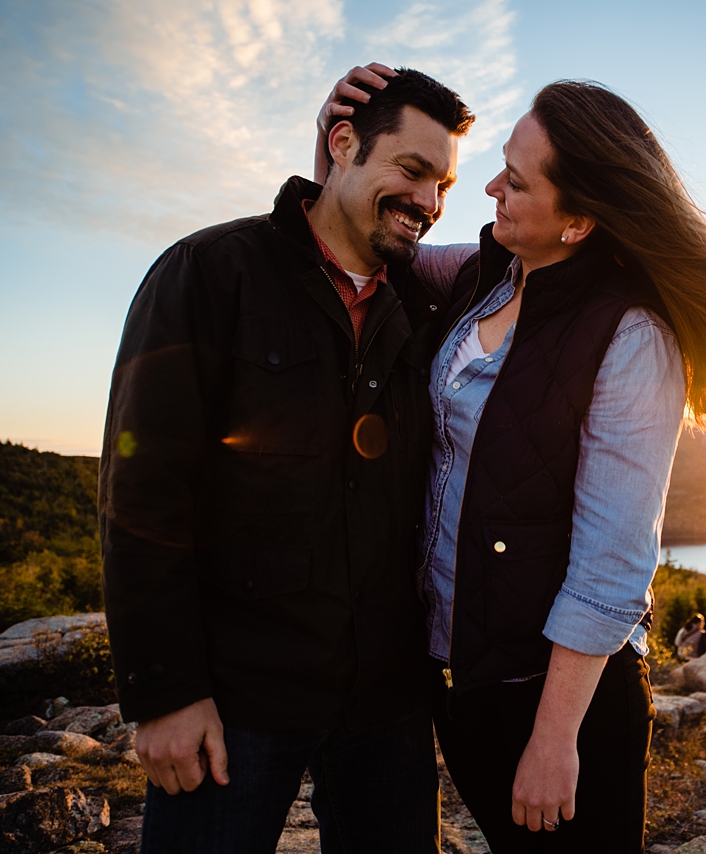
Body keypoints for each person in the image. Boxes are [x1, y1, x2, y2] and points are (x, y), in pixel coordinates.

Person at [319, 66, 706, 853]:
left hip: (559, 700)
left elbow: (614, 560)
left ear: (578, 222)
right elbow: (369, 244)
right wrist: (336, 149)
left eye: (518, 181)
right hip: (462, 676)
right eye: (501, 163)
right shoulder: (484, 275)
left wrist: (553, 739)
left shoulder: (633, 336)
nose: (490, 188)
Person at [99, 68, 475, 854]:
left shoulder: (428, 304)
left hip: (387, 702)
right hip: (238, 699)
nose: (430, 202)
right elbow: (142, 490)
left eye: (441, 183)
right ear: (341, 144)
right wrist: (166, 693)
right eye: (411, 171)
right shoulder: (208, 273)